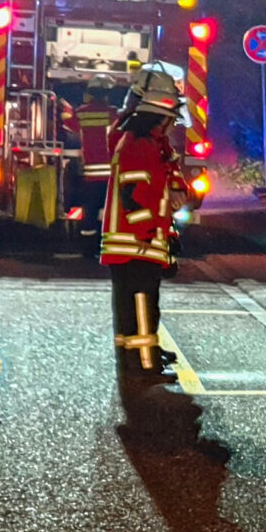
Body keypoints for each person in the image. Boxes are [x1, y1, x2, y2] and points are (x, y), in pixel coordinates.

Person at [100, 62, 198, 405]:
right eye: (169, 118)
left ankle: (140, 356)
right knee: (142, 304)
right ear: (157, 116)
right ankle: (143, 364)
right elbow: (134, 195)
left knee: (135, 307)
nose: (172, 124)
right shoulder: (138, 145)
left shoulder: (149, 143)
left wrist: (177, 192)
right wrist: (150, 232)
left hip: (138, 242)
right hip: (135, 243)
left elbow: (167, 178)